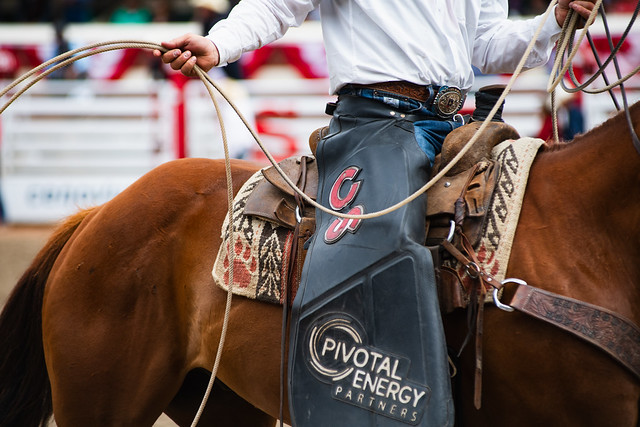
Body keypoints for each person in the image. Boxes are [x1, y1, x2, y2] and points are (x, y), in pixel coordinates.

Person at [155, 1, 596, 425]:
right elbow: (278, 4)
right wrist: (220, 43)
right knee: (379, 240)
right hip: (374, 122)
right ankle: (362, 406)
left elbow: (486, 43)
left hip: (453, 123)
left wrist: (553, 20)